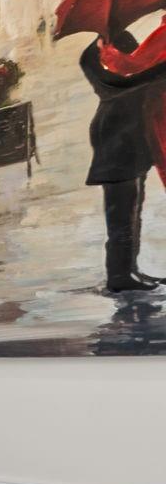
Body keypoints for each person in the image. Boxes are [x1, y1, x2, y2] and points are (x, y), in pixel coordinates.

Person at [81, 25, 166, 291]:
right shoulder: (92, 55)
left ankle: (131, 269)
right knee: (120, 211)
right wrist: (159, 72)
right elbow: (120, 85)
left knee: (133, 208)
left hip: (130, 133)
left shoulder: (124, 41)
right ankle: (118, 276)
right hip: (115, 135)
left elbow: (138, 68)